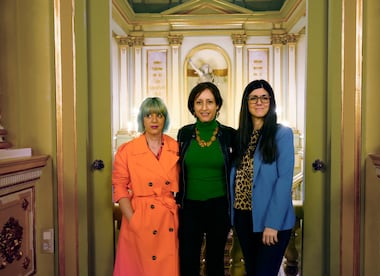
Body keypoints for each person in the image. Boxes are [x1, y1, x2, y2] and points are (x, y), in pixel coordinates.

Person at [230, 79, 296, 275]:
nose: (259, 102)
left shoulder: (282, 134)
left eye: (264, 97)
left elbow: (284, 181)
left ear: (271, 101)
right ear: (246, 103)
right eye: (254, 98)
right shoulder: (240, 137)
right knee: (252, 271)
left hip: (270, 220)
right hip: (243, 218)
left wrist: (272, 224)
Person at [112, 97, 180, 276]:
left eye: (159, 115)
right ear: (142, 118)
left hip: (166, 219)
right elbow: (119, 188)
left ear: (165, 119)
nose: (154, 120)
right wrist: (133, 220)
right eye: (149, 115)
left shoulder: (176, 147)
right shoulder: (127, 150)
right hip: (139, 216)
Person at [177, 82, 236, 276]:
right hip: (189, 207)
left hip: (219, 206)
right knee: (187, 259)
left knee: (215, 260)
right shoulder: (184, 133)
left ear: (217, 105)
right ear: (192, 106)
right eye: (199, 102)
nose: (204, 107)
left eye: (209, 102)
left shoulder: (229, 135)